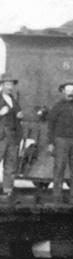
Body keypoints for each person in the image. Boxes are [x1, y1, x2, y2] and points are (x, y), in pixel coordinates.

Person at [46, 81, 73, 204]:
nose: (70, 93)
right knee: (59, 168)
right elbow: (50, 125)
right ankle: (57, 197)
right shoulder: (57, 107)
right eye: (68, 91)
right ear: (63, 92)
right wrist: (50, 143)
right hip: (60, 141)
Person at [0, 73, 23, 203]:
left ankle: (7, 190)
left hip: (12, 136)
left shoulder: (13, 100)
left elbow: (16, 116)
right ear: (2, 85)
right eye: (7, 84)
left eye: (11, 84)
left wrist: (19, 115)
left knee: (10, 164)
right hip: (1, 136)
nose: (10, 87)